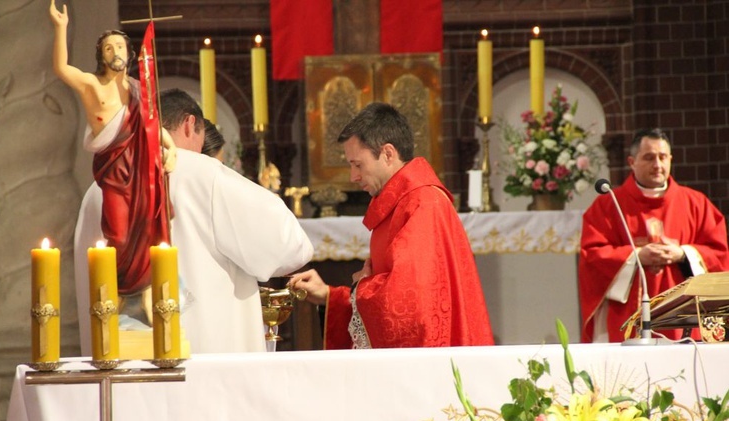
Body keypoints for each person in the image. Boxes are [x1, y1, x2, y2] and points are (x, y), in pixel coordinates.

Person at [75, 88, 314, 354]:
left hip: (117, 364)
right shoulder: (203, 174)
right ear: (190, 125)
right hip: (202, 369)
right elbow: (288, 244)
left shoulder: (97, 190)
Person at [289, 102, 494, 349]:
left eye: (358, 164)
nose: (353, 176)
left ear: (387, 153)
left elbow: (409, 306)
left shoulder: (421, 203)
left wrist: (361, 286)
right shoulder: (404, 202)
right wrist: (330, 296)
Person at [50, 0, 174, 296]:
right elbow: (61, 68)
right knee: (117, 233)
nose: (115, 52)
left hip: (141, 172)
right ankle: (118, 291)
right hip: (115, 175)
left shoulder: (137, 88)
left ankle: (144, 293)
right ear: (101, 56)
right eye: (108, 48)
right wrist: (61, 28)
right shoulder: (93, 85)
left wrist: (172, 148)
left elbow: (152, 123)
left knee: (146, 231)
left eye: (119, 46)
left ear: (129, 54)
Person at [579, 128, 729, 343]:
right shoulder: (609, 204)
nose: (657, 165)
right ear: (632, 162)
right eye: (649, 158)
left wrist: (683, 253)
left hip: (687, 314)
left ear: (670, 159)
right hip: (627, 313)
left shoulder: (696, 203)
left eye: (662, 157)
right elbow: (592, 255)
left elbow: (719, 253)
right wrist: (637, 256)